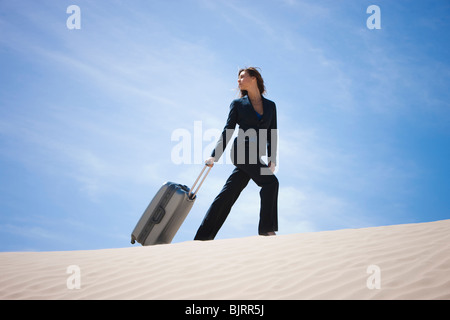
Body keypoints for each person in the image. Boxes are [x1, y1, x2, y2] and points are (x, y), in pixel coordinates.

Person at [194, 67, 279, 240]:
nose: (238, 80)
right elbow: (228, 130)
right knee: (271, 183)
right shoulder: (238, 104)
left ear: (254, 78)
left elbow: (272, 133)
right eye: (238, 78)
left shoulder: (271, 106)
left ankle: (203, 236)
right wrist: (214, 155)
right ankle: (267, 229)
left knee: (229, 193)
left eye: (242, 77)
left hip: (255, 156)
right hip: (241, 152)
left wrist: (272, 158)